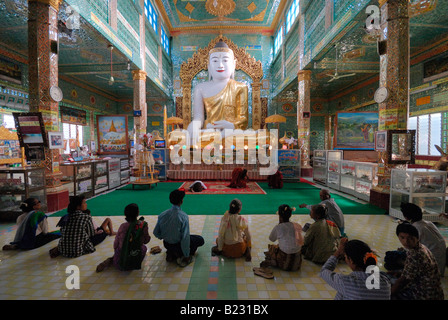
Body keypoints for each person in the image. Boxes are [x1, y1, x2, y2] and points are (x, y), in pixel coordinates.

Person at [186, 40, 248, 147]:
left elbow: (243, 119)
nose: (220, 65)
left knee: (263, 137)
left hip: (232, 133)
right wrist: (194, 125)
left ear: (233, 64)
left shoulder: (241, 87)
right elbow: (198, 117)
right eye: (215, 61)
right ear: (209, 65)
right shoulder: (200, 88)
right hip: (209, 131)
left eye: (225, 60)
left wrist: (231, 126)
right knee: (181, 137)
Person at [320, 238, 391, 300]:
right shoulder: (385, 281)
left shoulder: (347, 282)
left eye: (345, 257)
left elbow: (324, 271)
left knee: (342, 292)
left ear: (350, 260)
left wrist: (338, 252)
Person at [390, 222, 444, 300]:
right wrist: (400, 273)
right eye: (402, 237)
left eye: (411, 238)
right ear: (398, 237)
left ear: (417, 238)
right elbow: (414, 271)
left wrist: (388, 294)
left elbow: (403, 281)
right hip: (436, 293)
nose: (406, 241)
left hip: (424, 295)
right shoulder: (420, 247)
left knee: (391, 291)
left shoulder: (416, 255)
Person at [153, 189, 205, 267]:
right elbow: (185, 238)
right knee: (200, 239)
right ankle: (181, 254)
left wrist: (164, 236)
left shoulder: (162, 214)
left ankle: (171, 252)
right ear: (181, 201)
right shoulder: (183, 216)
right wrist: (187, 255)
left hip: (166, 244)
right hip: (178, 245)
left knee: (183, 240)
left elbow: (156, 232)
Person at [96, 203, 151, 272]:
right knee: (144, 248)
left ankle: (111, 260)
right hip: (135, 261)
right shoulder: (142, 225)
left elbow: (116, 244)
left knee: (122, 249)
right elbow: (146, 240)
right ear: (138, 213)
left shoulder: (123, 226)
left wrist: (118, 253)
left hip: (119, 262)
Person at [255, 205, 303, 278]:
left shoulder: (279, 227)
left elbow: (271, 239)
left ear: (279, 216)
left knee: (272, 248)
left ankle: (274, 262)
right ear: (290, 215)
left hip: (284, 264)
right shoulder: (297, 225)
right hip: (297, 263)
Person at [400, 202, 446, 276]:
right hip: (440, 265)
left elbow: (411, 250)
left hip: (430, 270)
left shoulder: (415, 228)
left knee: (391, 259)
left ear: (406, 217)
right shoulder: (429, 223)